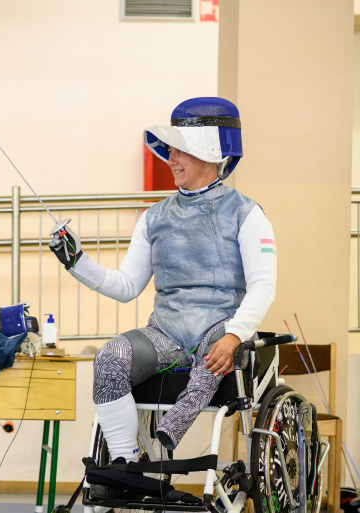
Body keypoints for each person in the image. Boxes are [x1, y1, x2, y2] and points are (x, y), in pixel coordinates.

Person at [49, 97, 276, 467]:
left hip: (220, 330)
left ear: (209, 151)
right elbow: (127, 285)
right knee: (110, 357)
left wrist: (235, 335)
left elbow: (263, 284)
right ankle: (125, 464)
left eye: (179, 150)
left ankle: (173, 428)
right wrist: (77, 262)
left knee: (215, 346)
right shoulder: (154, 217)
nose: (171, 159)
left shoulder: (246, 213)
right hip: (166, 335)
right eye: (169, 150)